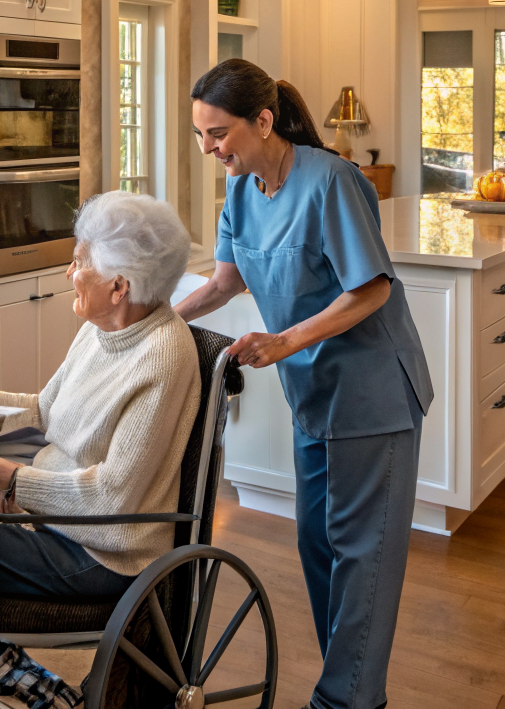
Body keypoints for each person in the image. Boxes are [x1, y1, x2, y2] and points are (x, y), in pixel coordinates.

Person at [174, 59, 434, 709]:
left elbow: (371, 288)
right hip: (311, 397)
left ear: (262, 121)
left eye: (217, 133)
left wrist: (282, 341)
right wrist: (150, 323)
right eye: (199, 135)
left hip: (373, 394)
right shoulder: (240, 192)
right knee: (315, 543)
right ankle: (346, 684)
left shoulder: (332, 181)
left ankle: (347, 700)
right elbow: (223, 282)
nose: (208, 148)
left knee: (361, 555)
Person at [0, 189, 199, 708]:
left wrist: (8, 476)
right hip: (51, 524)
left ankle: (24, 682)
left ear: (119, 286)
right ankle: (3, 674)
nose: (69, 273)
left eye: (79, 262)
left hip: (100, 554)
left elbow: (112, 502)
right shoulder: (101, 328)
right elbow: (44, 409)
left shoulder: (162, 357)